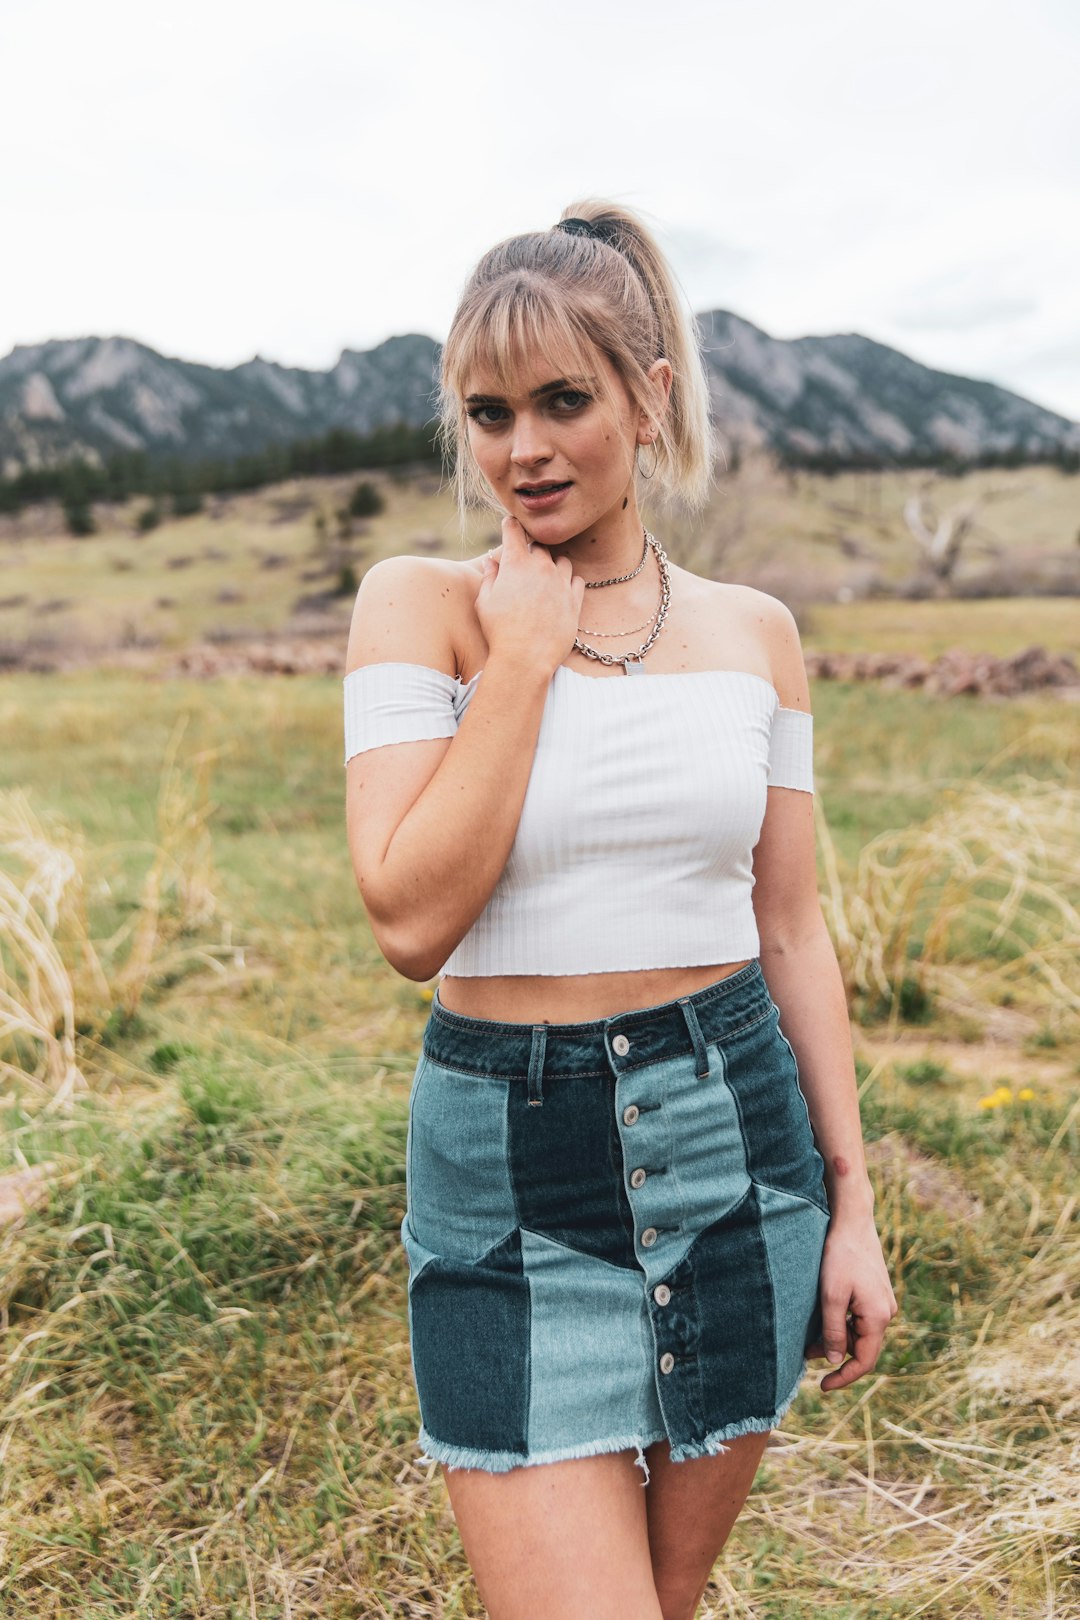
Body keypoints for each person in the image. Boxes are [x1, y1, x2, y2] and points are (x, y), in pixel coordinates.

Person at [343, 201, 898, 1620]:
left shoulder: (755, 636)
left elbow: (789, 931)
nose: (522, 448)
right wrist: (522, 664)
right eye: (489, 411)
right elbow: (409, 921)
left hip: (738, 1154)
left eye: (563, 401)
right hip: (509, 1183)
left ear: (649, 399)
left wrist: (852, 1204)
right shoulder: (423, 607)